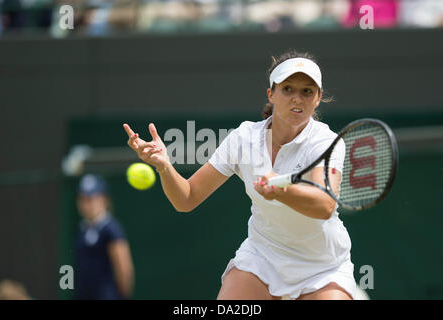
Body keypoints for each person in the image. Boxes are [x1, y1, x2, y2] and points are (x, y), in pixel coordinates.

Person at [123, 50, 357, 300]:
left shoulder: (326, 142)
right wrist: (164, 167)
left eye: (307, 91)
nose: (297, 99)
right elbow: (186, 199)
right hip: (262, 258)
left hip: (321, 269)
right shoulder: (243, 138)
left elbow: (324, 204)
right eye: (287, 89)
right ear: (271, 94)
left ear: (318, 98)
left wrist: (280, 190)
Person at [74, 174, 134, 300]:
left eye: (91, 199)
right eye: (82, 199)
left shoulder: (111, 229)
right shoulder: (82, 228)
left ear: (104, 199)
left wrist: (122, 296)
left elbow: (124, 268)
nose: (86, 204)